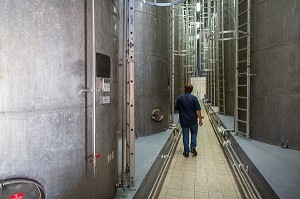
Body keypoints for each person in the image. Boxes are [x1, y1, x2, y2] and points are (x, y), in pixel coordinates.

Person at [175, 84, 203, 157]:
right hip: (193, 120)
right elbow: (198, 110)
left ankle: (186, 152)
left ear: (184, 89)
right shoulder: (194, 98)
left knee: (185, 135)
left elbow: (176, 108)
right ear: (192, 90)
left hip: (184, 121)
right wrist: (200, 119)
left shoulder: (180, 98)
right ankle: (193, 147)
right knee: (194, 133)